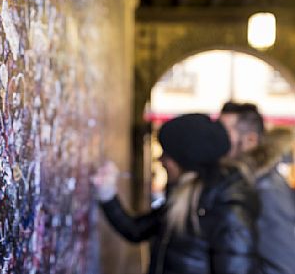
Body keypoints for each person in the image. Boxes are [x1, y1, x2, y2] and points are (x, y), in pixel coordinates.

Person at [93, 113, 259, 274]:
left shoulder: (228, 207)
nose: (161, 160)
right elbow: (136, 230)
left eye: (167, 154)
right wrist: (107, 194)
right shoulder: (184, 198)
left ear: (186, 160)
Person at [219, 101, 295, 274]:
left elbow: (282, 268)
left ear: (250, 140)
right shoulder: (241, 183)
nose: (216, 141)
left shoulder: (268, 190)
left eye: (224, 134)